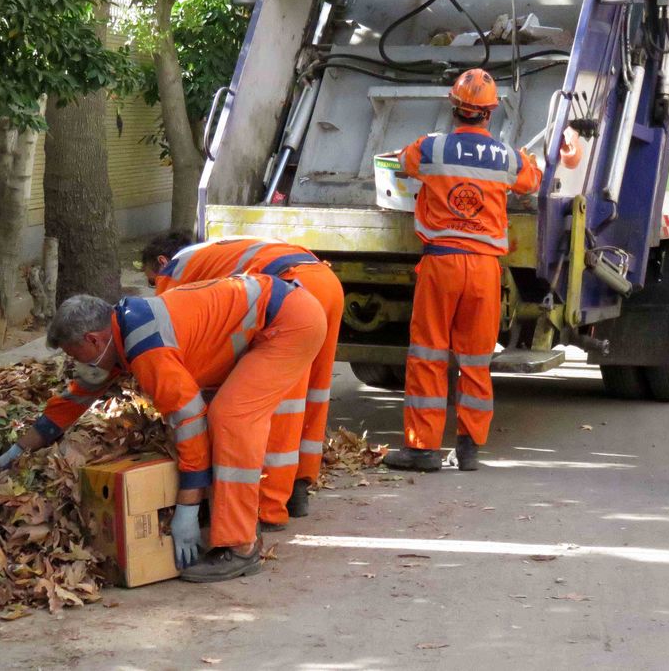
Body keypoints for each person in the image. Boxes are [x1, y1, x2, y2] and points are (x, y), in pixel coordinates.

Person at [0, 275, 325, 583]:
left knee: (230, 417)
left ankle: (241, 547)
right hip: (274, 316)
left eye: (75, 354)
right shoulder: (118, 334)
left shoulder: (147, 349)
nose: (79, 364)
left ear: (93, 340)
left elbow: (190, 421)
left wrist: (187, 508)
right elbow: (75, 398)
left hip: (289, 322)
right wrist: (18, 449)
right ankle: (224, 520)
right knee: (217, 414)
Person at [383, 68, 542, 473]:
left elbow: (400, 164)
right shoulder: (507, 158)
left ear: (454, 108)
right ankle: (469, 449)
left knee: (428, 356)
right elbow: (532, 181)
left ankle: (423, 450)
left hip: (442, 264)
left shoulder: (430, 149)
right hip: (485, 269)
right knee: (475, 360)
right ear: (490, 113)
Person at [139, 232, 344, 529]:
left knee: (279, 405)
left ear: (161, 263)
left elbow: (169, 338)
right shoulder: (215, 251)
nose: (155, 289)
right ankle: (299, 487)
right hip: (324, 281)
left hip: (291, 292)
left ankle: (268, 506)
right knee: (313, 390)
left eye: (151, 281)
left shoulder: (174, 271)